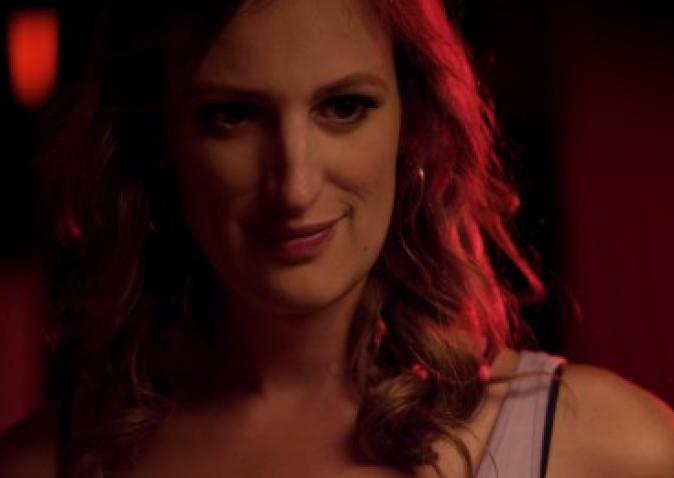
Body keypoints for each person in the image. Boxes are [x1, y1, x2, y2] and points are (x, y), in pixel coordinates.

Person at [2, 0, 674, 477]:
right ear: (157, 141)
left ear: (414, 124)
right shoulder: (42, 463)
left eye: (344, 108)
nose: (294, 186)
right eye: (232, 115)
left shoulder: (607, 449)